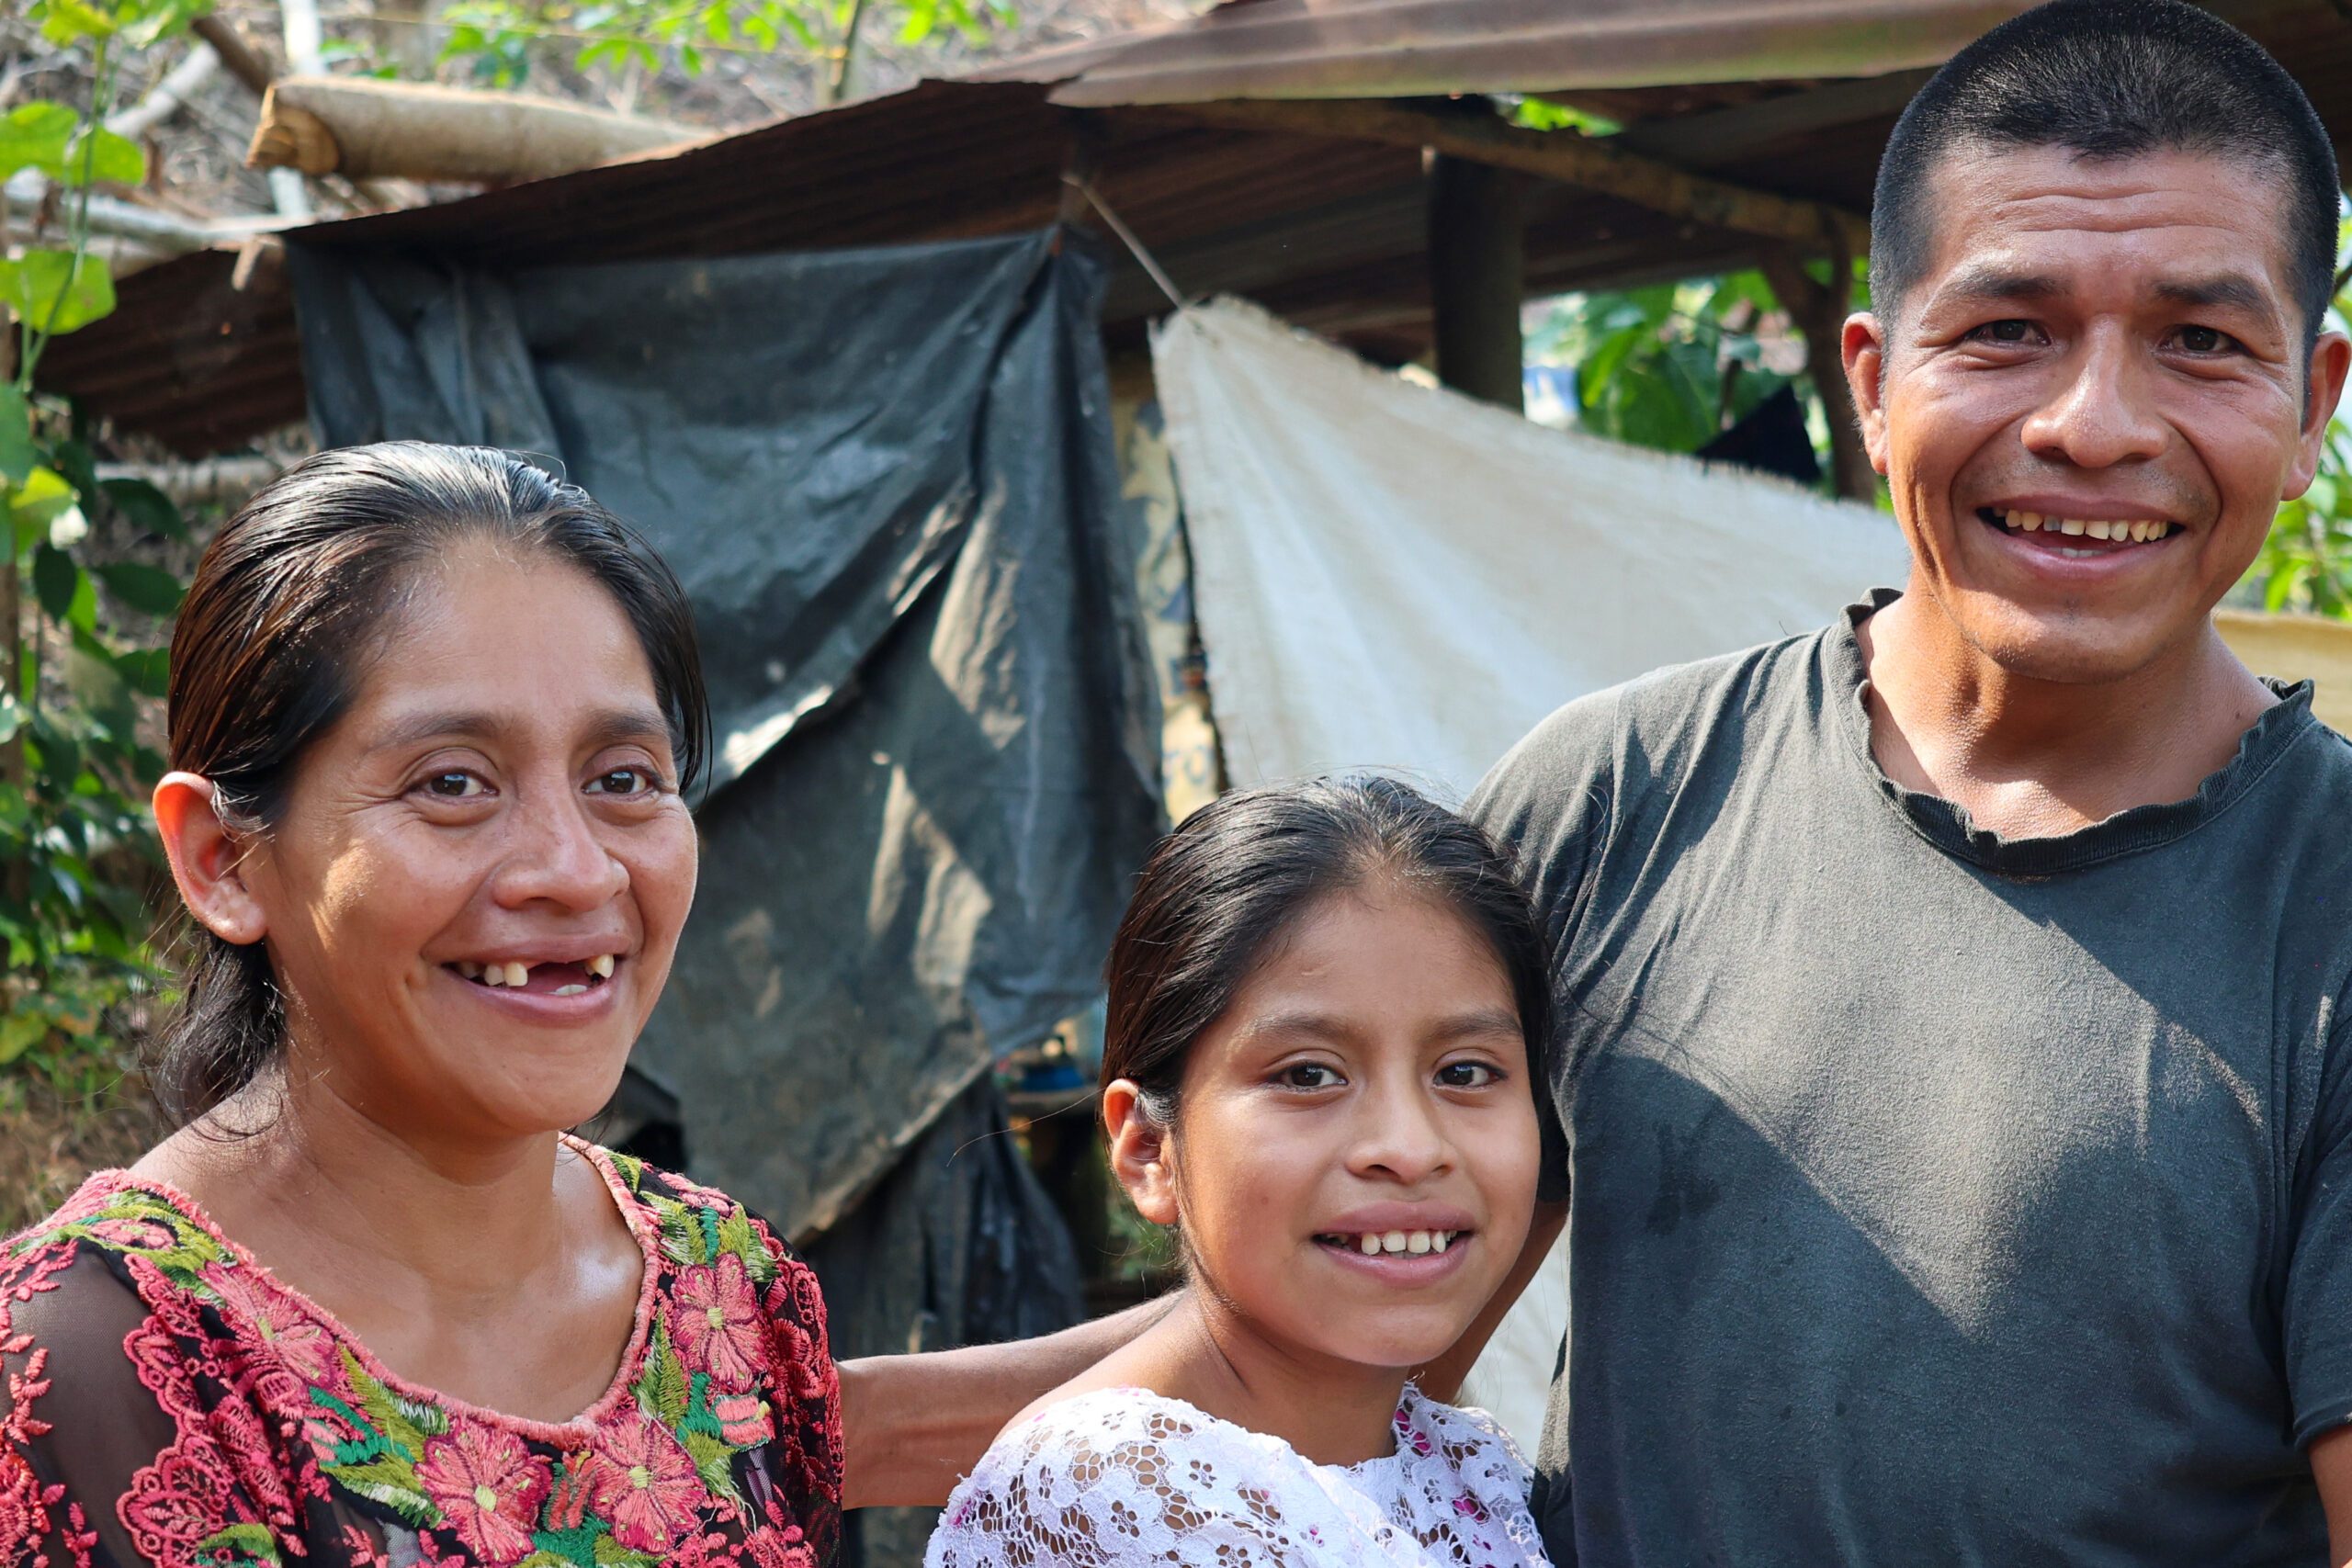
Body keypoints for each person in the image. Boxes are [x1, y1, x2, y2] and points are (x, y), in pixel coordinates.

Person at [1449, 0, 2352, 1562]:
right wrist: (871, 1418)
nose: (2093, 426)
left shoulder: (2330, 909)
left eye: (2202, 340)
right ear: (1871, 383)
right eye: (2008, 328)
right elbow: (1314, 1345)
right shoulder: (1613, 803)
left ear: (2313, 405)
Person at [0, 445, 845, 1568]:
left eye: (623, 778)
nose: (576, 869)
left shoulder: (729, 1292)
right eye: (452, 782)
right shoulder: (92, 1366)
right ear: (223, 861)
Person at [924, 780, 1550, 1568]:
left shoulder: (1465, 1467)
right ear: (1153, 1150)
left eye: (1464, 1069)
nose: (1410, 1145)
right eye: (1309, 1075)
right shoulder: (1110, 1496)